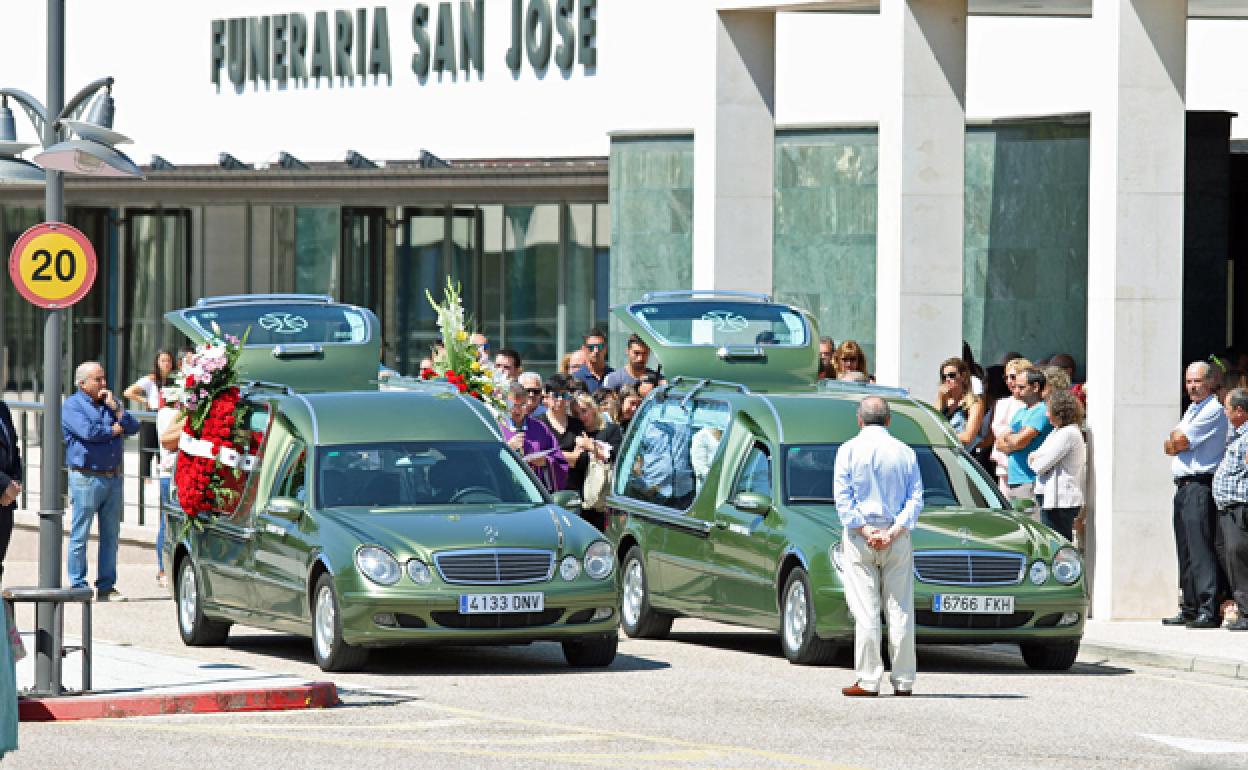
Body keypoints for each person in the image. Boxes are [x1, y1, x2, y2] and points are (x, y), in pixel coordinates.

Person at [834, 396, 923, 697]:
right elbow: (915, 500)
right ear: (888, 420)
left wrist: (867, 529)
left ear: (859, 419)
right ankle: (903, 680)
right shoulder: (905, 452)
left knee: (867, 610)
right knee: (900, 609)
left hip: (861, 537)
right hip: (896, 537)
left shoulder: (848, 450)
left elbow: (843, 501)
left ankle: (869, 679)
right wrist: (893, 531)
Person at [63, 361, 140, 602]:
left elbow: (133, 427)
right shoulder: (72, 405)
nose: (103, 384)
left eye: (104, 378)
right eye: (98, 379)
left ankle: (106, 586)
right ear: (82, 383)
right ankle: (78, 585)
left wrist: (117, 410)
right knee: (80, 534)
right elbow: (89, 432)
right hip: (86, 477)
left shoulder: (109, 403)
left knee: (110, 536)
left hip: (112, 477)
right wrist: (114, 431)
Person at [1163, 361, 1229, 628]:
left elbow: (1178, 442)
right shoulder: (1193, 408)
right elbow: (1171, 443)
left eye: (1197, 381)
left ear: (1211, 382)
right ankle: (1189, 606)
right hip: (1183, 485)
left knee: (1201, 548)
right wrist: (1174, 442)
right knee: (1185, 548)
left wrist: (1175, 442)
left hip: (1201, 484)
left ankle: (1207, 607)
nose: (1192, 387)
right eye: (1188, 381)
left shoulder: (1213, 409)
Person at [1028, 389, 1086, 540]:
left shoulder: (1068, 433)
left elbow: (1038, 465)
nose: (1046, 415)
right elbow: (1034, 457)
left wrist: (1037, 458)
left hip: (1061, 502)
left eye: (1049, 410)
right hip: (1050, 500)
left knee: (1057, 544)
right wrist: (1036, 457)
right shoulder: (1056, 432)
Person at [1213, 387, 1248, 631]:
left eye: (1227, 407)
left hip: (1240, 507)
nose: (1224, 412)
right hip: (1227, 507)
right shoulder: (1236, 433)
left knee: (1239, 557)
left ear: (1239, 410)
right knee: (1230, 556)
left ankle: (1246, 612)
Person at [994, 367, 1052, 507]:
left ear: (1035, 387)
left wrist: (1013, 438)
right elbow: (999, 443)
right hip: (1015, 479)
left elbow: (1020, 441)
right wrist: (1013, 439)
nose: (1016, 390)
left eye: (1021, 387)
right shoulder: (1020, 412)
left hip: (1030, 479)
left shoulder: (1041, 411)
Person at [567, 393, 624, 528]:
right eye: (576, 414)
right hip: (579, 497)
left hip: (601, 499)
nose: (581, 417)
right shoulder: (575, 433)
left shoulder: (611, 430)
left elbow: (615, 456)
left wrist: (591, 447)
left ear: (593, 409)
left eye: (584, 411)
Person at [499, 382, 567, 492]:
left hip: (535, 492)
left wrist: (545, 462)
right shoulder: (497, 427)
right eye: (513, 405)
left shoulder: (540, 428)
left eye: (522, 405)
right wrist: (508, 448)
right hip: (506, 493)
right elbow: (487, 462)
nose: (517, 410)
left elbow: (560, 462)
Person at [123, 350, 175, 481]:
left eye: (168, 360)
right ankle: (146, 479)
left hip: (169, 416)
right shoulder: (150, 379)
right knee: (148, 448)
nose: (166, 364)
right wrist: (144, 400)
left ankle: (164, 476)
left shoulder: (175, 379)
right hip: (153, 414)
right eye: (163, 360)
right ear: (157, 362)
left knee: (164, 449)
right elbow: (128, 392)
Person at [990, 357, 1032, 495]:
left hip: (1027, 467)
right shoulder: (1002, 403)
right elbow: (998, 431)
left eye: (1013, 377)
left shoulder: (1033, 404)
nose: (1009, 381)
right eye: (1006, 377)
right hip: (1005, 465)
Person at [153, 389, 182, 589]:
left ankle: (163, 569)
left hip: (167, 472)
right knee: (168, 523)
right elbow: (168, 440)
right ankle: (164, 569)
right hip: (171, 472)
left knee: (165, 522)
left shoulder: (163, 413)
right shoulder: (172, 415)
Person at [539, 373, 586, 481]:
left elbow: (581, 460)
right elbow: (537, 457)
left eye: (564, 395)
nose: (560, 399)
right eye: (555, 395)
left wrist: (550, 455)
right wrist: (571, 456)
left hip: (573, 488)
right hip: (546, 488)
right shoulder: (538, 423)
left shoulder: (577, 424)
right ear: (546, 396)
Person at [936, 357, 985, 449]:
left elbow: (968, 437)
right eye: (944, 377)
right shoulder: (944, 400)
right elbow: (931, 423)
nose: (947, 379)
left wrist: (939, 436)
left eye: (951, 375)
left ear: (963, 376)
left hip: (964, 454)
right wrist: (940, 398)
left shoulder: (974, 402)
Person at [0, 397, 22, 585]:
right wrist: (4, 485)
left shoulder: (2, 409)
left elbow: (14, 450)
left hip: (6, 500)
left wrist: (15, 483)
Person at [571, 328, 614, 394]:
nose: (596, 351)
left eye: (600, 347)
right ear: (584, 349)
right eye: (591, 347)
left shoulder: (614, 376)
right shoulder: (575, 378)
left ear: (605, 349)